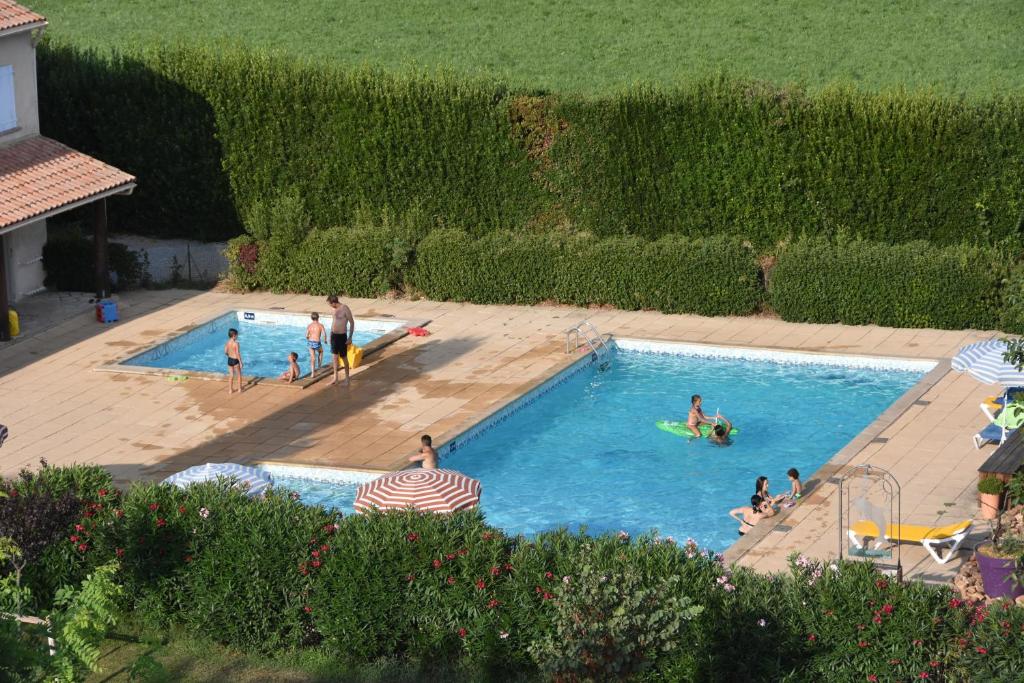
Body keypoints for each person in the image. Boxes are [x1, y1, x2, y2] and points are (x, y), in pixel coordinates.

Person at [327, 295, 355, 386]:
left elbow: (352, 322)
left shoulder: (345, 308)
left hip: (342, 336)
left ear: (334, 302)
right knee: (334, 357)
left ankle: (347, 379)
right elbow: (333, 322)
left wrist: (350, 337)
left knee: (344, 357)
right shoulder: (334, 310)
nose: (330, 306)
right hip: (334, 336)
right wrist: (330, 335)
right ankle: (336, 378)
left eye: (330, 304)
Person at [306, 312, 327, 377]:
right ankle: (319, 367)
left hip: (310, 342)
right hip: (317, 342)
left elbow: (306, 335)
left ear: (311, 318)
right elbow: (324, 334)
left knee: (312, 357)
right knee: (321, 352)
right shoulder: (320, 325)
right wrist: (325, 340)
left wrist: (309, 339)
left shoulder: (309, 325)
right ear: (318, 317)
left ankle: (312, 373)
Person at [224, 328, 243, 395]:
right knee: (239, 375)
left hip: (229, 360)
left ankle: (230, 390)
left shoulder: (227, 342)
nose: (237, 336)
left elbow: (225, 352)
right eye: (237, 335)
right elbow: (237, 353)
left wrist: (229, 355)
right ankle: (239, 389)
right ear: (234, 335)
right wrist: (240, 362)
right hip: (235, 360)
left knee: (231, 375)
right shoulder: (236, 343)